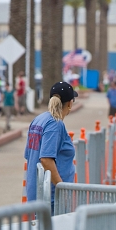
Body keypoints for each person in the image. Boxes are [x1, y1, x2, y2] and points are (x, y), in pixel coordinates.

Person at [24, 81, 77, 214]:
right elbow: (46, 159)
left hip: (37, 194)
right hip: (51, 198)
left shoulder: (39, 120)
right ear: (70, 103)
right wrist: (62, 188)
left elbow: (29, 155)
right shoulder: (55, 124)